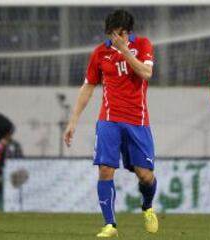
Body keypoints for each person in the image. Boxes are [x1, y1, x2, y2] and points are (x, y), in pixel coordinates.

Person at [64, 9, 158, 237]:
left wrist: (125, 51)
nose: (117, 38)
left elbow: (146, 73)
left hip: (138, 120)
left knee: (145, 176)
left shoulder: (143, 45)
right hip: (109, 120)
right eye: (113, 34)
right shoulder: (99, 53)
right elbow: (88, 87)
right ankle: (110, 225)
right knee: (105, 170)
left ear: (129, 32)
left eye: (122, 33)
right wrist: (73, 121)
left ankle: (147, 207)